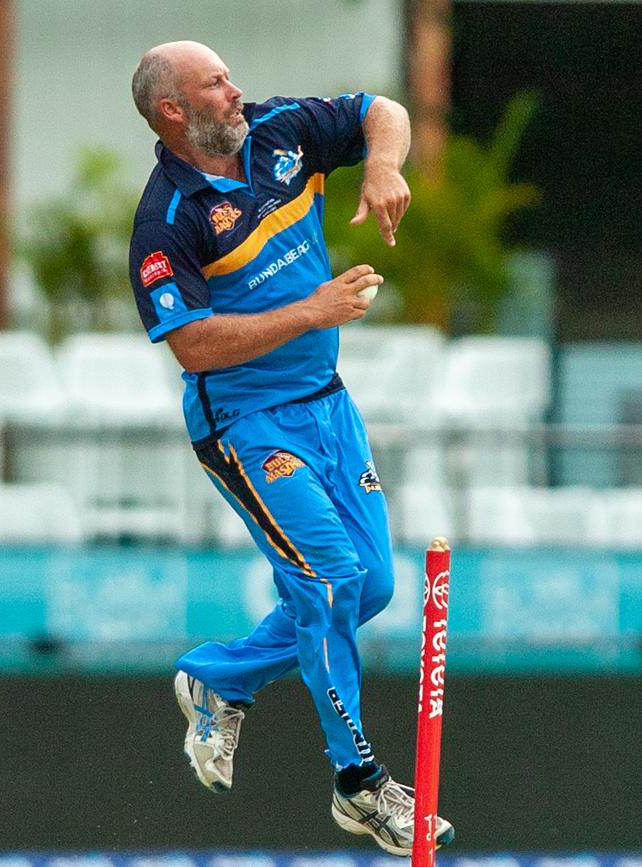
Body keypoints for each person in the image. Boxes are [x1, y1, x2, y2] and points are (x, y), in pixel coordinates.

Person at [129, 40, 454, 858]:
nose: (235, 88)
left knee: (370, 586)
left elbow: (383, 112)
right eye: (214, 83)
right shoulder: (168, 217)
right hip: (247, 426)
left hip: (328, 409)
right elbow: (194, 345)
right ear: (174, 111)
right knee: (330, 579)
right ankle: (360, 784)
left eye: (230, 73)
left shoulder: (280, 131)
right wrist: (312, 312)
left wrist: (382, 166)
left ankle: (221, 675)